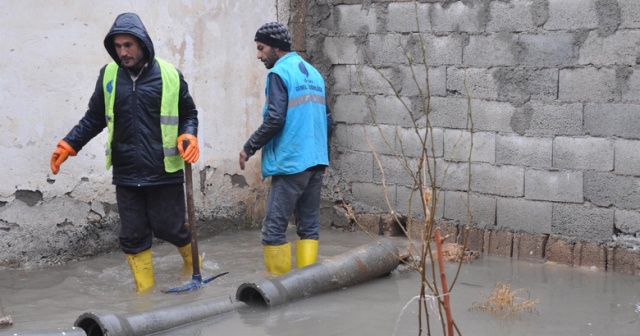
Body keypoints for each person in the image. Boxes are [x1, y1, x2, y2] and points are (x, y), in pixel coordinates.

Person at [50, 13, 200, 292]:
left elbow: (188, 112)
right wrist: (69, 144)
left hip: (163, 169)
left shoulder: (169, 75)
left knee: (170, 229)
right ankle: (145, 297)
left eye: (128, 45)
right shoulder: (108, 76)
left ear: (142, 44)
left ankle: (193, 265)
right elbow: (94, 117)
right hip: (126, 171)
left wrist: (189, 134)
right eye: (118, 46)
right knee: (132, 235)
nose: (123, 52)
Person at [239, 22, 333, 275]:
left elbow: (275, 119)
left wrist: (249, 147)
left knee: (273, 230)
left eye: (261, 48)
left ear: (276, 47)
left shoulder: (279, 74)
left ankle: (279, 294)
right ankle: (308, 285)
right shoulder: (313, 74)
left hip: (292, 162)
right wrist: (323, 158)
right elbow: (328, 119)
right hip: (315, 163)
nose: (259, 55)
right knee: (309, 226)